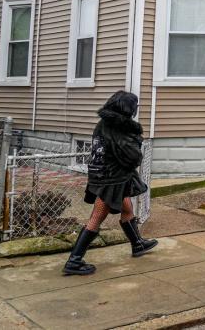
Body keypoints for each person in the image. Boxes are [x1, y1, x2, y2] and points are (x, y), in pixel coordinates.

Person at [63, 91, 157, 276]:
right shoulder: (116, 127)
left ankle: (137, 244)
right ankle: (74, 261)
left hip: (107, 175)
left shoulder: (105, 123)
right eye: (134, 106)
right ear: (126, 108)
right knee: (97, 217)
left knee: (127, 209)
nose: (136, 109)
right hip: (111, 179)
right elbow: (130, 154)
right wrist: (137, 145)